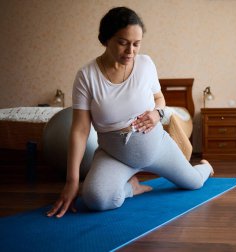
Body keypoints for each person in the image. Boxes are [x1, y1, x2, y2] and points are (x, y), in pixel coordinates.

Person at [47, 7, 214, 218]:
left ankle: (206, 167)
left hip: (157, 147)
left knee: (195, 183)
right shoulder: (86, 76)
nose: (130, 51)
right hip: (114, 155)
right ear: (105, 39)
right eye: (123, 43)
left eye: (136, 44)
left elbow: (159, 99)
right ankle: (132, 188)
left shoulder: (146, 64)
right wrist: (71, 181)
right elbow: (80, 130)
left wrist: (157, 114)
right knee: (95, 199)